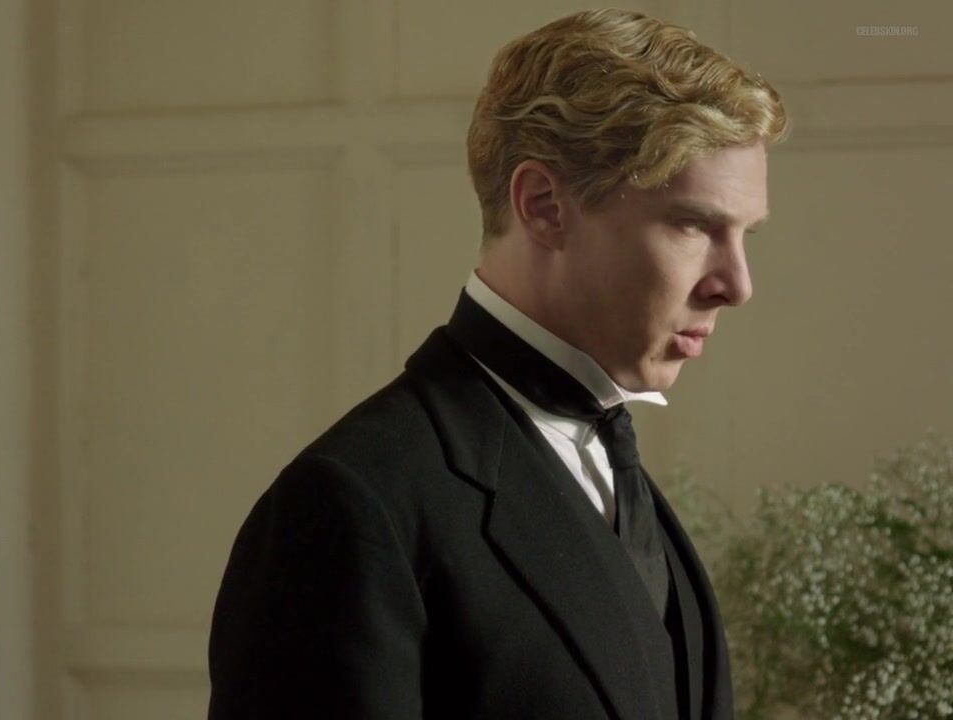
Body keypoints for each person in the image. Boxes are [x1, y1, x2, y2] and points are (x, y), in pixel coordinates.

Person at [207, 8, 788, 720]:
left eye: (745, 234)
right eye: (694, 225)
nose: (737, 284)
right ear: (543, 206)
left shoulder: (612, 470)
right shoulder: (349, 506)